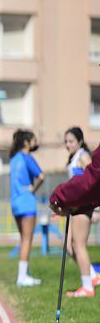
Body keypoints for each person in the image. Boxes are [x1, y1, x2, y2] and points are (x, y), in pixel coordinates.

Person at [59, 126, 100, 297]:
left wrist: (96, 208)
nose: (68, 145)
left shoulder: (83, 156)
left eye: (71, 141)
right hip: (76, 206)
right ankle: (91, 276)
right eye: (66, 141)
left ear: (80, 141)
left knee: (78, 245)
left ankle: (88, 286)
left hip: (84, 206)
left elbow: (93, 180)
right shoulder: (74, 157)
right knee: (69, 246)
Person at [9, 129, 46, 287]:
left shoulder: (13, 159)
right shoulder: (26, 157)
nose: (35, 142)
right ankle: (22, 277)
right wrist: (33, 189)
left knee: (23, 238)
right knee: (27, 239)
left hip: (15, 202)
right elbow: (41, 176)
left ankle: (24, 274)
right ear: (26, 142)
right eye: (33, 140)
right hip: (26, 202)